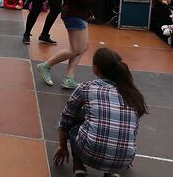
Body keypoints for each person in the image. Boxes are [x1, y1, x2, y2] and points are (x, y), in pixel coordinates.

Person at [53, 48, 148, 177]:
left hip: (89, 153)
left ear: (96, 68)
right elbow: (133, 132)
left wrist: (62, 146)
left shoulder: (86, 88)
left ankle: (78, 166)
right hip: (124, 159)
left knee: (76, 117)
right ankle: (112, 172)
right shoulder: (131, 94)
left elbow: (65, 121)